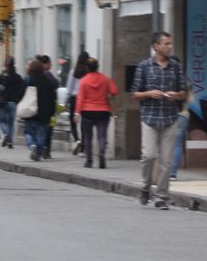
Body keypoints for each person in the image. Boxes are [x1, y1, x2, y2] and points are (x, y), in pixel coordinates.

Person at [130, 31, 186, 210]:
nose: (170, 47)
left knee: (166, 160)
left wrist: (176, 95)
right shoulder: (144, 66)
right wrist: (148, 93)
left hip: (170, 117)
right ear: (156, 46)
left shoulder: (176, 67)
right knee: (148, 155)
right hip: (149, 117)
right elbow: (134, 93)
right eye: (166, 44)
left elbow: (183, 91)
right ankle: (145, 187)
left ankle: (161, 195)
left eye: (170, 44)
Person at [74, 57, 118, 169]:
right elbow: (114, 91)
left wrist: (77, 113)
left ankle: (89, 161)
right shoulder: (106, 79)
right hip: (103, 111)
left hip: (87, 111)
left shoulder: (83, 81)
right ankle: (102, 154)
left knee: (88, 137)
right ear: (97, 66)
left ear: (86, 68)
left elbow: (80, 98)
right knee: (102, 136)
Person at [23, 58, 56, 161]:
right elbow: (53, 96)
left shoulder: (29, 79)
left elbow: (22, 93)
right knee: (41, 134)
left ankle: (31, 145)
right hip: (44, 112)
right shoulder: (48, 80)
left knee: (28, 132)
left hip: (31, 110)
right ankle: (38, 155)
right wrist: (52, 111)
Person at [169, 76, 194, 180]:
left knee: (164, 143)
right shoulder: (186, 81)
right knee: (178, 145)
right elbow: (191, 100)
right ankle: (172, 173)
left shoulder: (169, 79)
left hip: (169, 115)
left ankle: (162, 171)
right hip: (183, 115)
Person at [0, 57, 25, 148]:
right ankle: (10, 141)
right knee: (11, 123)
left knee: (2, 120)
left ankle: (5, 133)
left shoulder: (2, 76)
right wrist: (18, 99)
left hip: (3, 102)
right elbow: (22, 89)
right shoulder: (18, 77)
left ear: (5, 65)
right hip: (13, 102)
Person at [66, 51, 89, 154]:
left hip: (74, 98)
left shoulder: (73, 71)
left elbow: (69, 87)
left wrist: (67, 99)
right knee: (84, 123)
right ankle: (83, 147)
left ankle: (77, 139)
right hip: (85, 99)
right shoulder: (88, 72)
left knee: (73, 121)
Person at [38, 54, 59, 158]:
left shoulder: (36, 74)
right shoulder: (47, 74)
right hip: (50, 106)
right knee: (49, 129)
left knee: (41, 129)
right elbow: (56, 84)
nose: (51, 65)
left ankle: (41, 149)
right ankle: (46, 150)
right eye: (50, 63)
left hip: (40, 106)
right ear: (45, 64)